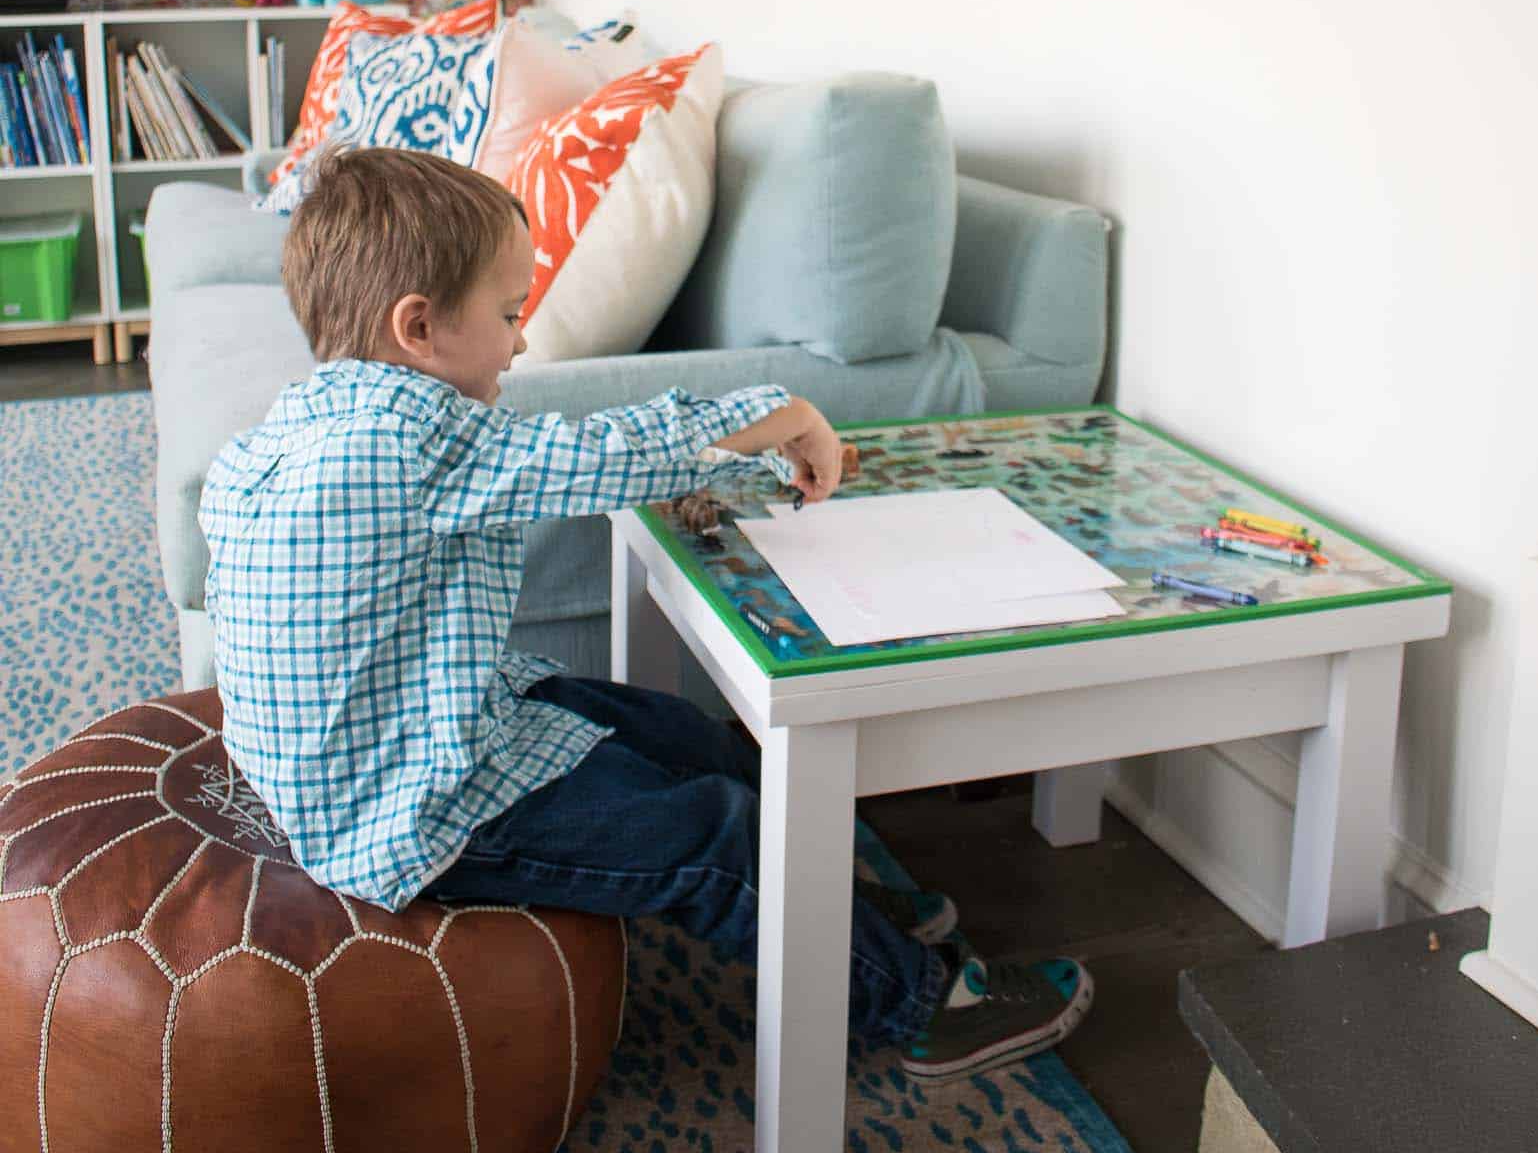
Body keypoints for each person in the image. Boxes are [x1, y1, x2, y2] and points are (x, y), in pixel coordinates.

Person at [200, 144, 1091, 1083]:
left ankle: (839, 910)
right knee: (715, 837)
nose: (522, 343)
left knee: (681, 735)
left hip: (418, 733)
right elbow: (605, 455)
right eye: (509, 315)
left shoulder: (300, 429)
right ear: (418, 327)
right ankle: (916, 1002)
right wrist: (780, 412)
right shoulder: (402, 446)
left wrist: (750, 465)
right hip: (413, 811)